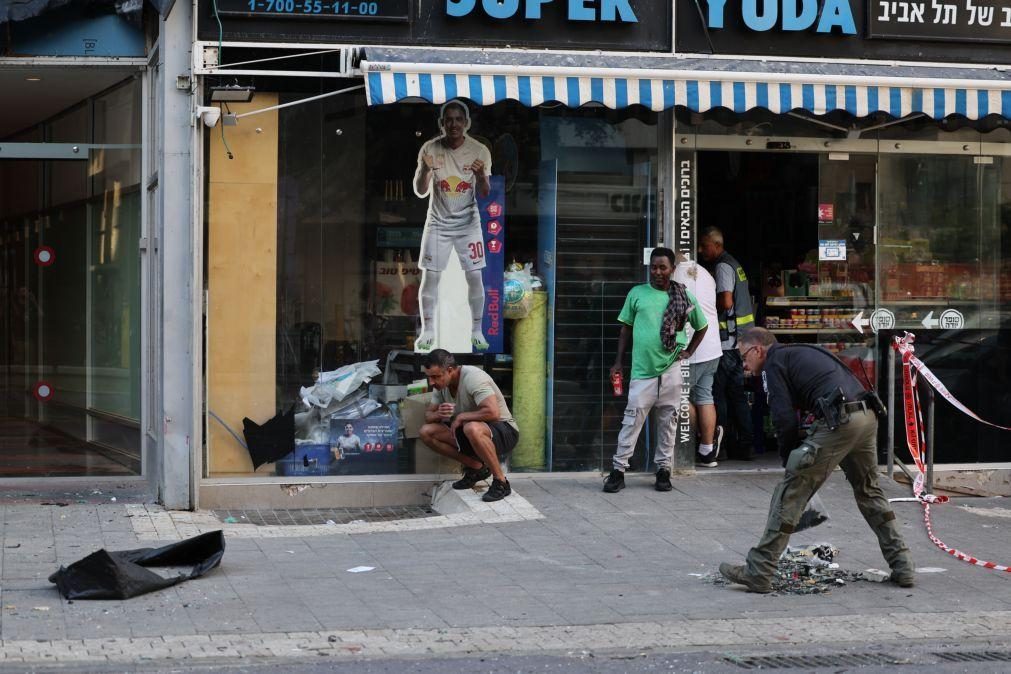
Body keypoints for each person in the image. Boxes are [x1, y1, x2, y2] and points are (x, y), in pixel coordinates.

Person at [719, 327, 915, 593]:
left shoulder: (772, 364)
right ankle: (903, 565)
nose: (744, 365)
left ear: (758, 350)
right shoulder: (797, 352)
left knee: (791, 492)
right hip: (866, 416)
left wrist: (789, 458)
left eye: (744, 357)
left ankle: (759, 570)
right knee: (869, 491)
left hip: (841, 421)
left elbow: (783, 417)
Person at [604, 247, 709, 493]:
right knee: (631, 422)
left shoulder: (684, 297)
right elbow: (625, 329)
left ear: (672, 269)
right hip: (642, 371)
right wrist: (618, 361)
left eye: (663, 267)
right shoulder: (637, 293)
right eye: (653, 267)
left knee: (668, 422)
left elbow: (702, 327)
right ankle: (618, 471)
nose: (657, 272)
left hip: (671, 369)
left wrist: (689, 352)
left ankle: (663, 471)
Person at [413, 100, 492, 352]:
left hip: (469, 223)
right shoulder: (430, 148)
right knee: (431, 276)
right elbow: (420, 190)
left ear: (466, 123)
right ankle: (428, 331)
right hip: (437, 223)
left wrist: (480, 176)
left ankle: (477, 329)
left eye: (459, 119)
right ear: (442, 123)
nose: (454, 124)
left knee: (474, 275)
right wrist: (425, 168)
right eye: (449, 119)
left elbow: (486, 193)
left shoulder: (480, 151)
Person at [418, 349, 519, 502]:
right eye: (429, 377)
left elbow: (493, 413)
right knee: (427, 432)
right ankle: (478, 468)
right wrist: (439, 414)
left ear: (450, 370)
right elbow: (428, 416)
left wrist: (461, 416)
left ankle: (501, 482)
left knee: (471, 427)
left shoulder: (473, 377)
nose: (431, 382)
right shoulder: (441, 385)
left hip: (504, 431)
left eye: (435, 377)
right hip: (472, 434)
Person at [699, 226, 755, 461]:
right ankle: (746, 445)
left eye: (705, 246)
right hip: (739, 342)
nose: (701, 250)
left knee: (717, 395)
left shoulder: (723, 266)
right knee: (738, 396)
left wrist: (706, 308)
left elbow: (726, 301)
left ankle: (718, 446)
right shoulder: (735, 264)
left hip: (726, 343)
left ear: (717, 245)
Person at [673, 255, 724, 468]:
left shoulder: (675, 275)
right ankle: (707, 451)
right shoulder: (704, 273)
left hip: (691, 347)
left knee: (680, 398)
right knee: (704, 396)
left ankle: (687, 444)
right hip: (712, 347)